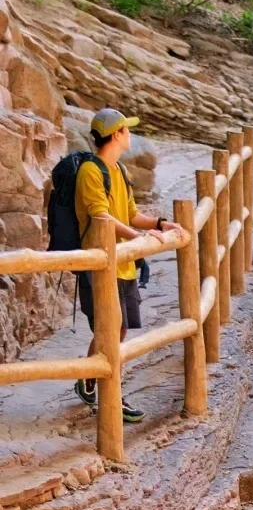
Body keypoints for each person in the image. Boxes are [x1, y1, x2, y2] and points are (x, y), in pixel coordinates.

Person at [73, 108, 182, 424]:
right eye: (126, 130)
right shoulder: (91, 172)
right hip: (100, 261)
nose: (130, 135)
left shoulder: (118, 170)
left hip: (123, 262)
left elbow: (130, 213)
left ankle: (89, 378)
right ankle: (110, 393)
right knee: (111, 326)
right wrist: (138, 237)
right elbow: (101, 215)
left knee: (117, 327)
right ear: (117, 133)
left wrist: (161, 224)